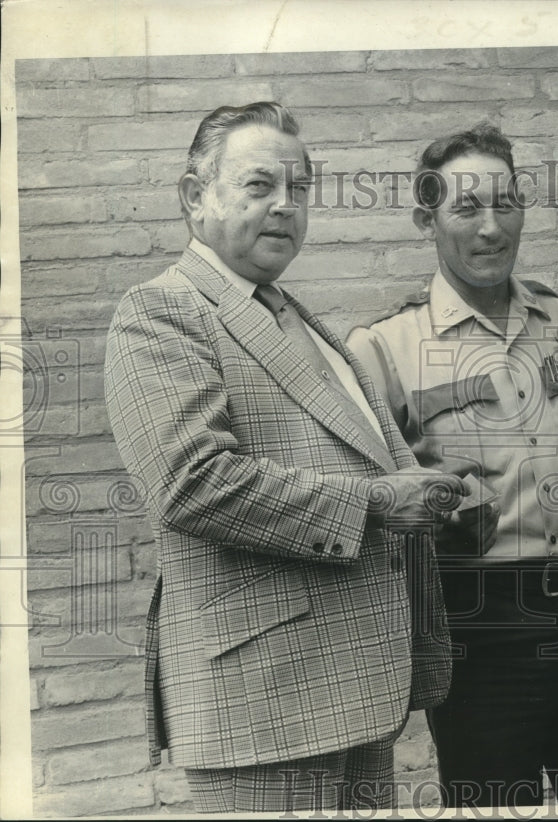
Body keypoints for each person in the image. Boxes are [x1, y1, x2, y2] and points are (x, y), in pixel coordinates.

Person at [104, 102, 469, 814]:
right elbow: (191, 482)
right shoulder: (160, 311)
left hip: (352, 689)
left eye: (299, 190)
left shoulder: (290, 313)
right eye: (258, 186)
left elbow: (346, 459)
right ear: (194, 196)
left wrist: (420, 488)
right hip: (263, 707)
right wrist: (377, 503)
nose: (285, 207)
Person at [347, 123, 558, 809]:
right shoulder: (383, 348)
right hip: (474, 639)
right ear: (425, 219)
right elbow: (371, 510)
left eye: (506, 203)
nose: (491, 228)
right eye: (466, 208)